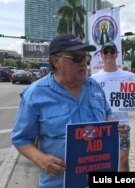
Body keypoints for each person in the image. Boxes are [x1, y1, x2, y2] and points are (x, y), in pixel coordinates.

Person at [11, 34, 126, 188]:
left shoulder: (95, 87)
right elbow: (21, 139)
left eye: (85, 57)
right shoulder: (35, 95)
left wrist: (113, 127)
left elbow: (107, 114)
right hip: (59, 183)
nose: (83, 63)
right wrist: (41, 159)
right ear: (55, 61)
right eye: (76, 58)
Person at [91, 42, 135, 171]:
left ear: (116, 54)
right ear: (102, 55)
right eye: (106, 52)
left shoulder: (128, 76)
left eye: (112, 51)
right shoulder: (94, 78)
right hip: (102, 126)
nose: (109, 54)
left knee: (123, 159)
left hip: (122, 125)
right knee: (104, 160)